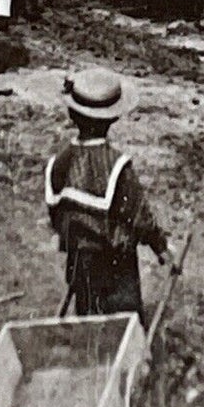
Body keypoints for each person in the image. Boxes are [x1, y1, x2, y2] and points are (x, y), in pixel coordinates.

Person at [46, 69, 170, 320]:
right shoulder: (116, 166)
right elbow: (139, 217)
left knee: (89, 314)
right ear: (112, 119)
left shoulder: (58, 163)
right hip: (115, 263)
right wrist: (161, 248)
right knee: (121, 320)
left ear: (72, 114)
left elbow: (57, 214)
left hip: (80, 260)